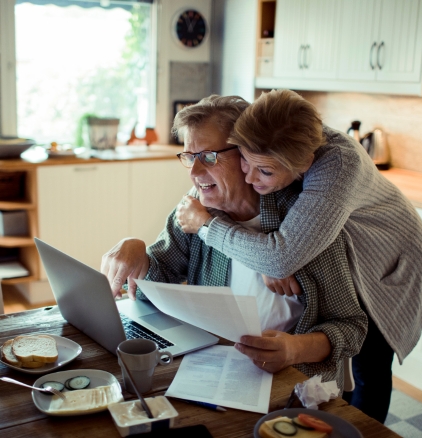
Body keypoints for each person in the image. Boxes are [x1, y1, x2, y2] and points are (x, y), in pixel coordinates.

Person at [176, 89, 422, 423]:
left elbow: (279, 258)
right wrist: (270, 254)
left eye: (265, 173)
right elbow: (209, 173)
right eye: (244, 160)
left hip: (386, 257)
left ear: (303, 165)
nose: (249, 177)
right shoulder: (265, 137)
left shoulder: (338, 165)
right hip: (336, 241)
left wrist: (272, 255)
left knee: (370, 363)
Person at [101, 94, 367, 391]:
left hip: (290, 383)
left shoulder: (305, 225)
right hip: (213, 369)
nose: (194, 172)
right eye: (189, 156)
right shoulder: (194, 210)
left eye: (209, 157)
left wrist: (294, 349)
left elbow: (350, 326)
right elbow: (155, 287)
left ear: (245, 152)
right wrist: (136, 249)